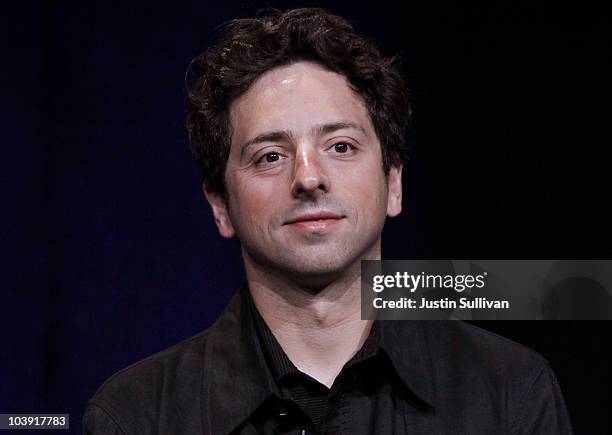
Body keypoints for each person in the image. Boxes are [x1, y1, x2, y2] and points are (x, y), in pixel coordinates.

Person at [83, 8, 572, 434]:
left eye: (340, 146)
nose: (309, 177)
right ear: (220, 206)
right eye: (270, 155)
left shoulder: (510, 391)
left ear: (394, 184)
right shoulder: (136, 415)